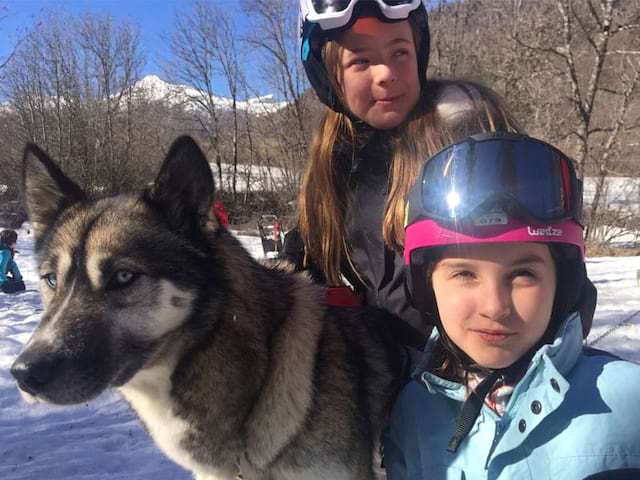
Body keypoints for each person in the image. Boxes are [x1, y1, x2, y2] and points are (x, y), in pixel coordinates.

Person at [384, 132, 640, 479]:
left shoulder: (629, 400)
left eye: (522, 275)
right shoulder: (413, 413)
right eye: (463, 273)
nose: (495, 307)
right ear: (426, 287)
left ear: (561, 284)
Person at [291, 0, 523, 346]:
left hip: (476, 366)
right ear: (329, 79)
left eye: (399, 52)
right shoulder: (336, 157)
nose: (385, 72)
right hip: (389, 375)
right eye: (361, 60)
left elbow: (539, 257)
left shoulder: (464, 129)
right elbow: (309, 260)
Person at [1, 229, 26, 294]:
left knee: (17, 285)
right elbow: (1, 267)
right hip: (1, 279)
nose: (16, 244)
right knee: (17, 287)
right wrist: (4, 282)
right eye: (15, 242)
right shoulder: (4, 253)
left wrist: (18, 279)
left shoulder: (7, 251)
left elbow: (12, 265)